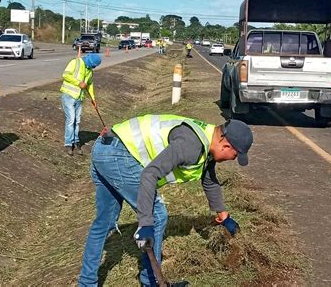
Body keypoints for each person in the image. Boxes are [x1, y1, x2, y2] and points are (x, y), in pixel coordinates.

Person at [78, 115, 253, 286]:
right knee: (157, 215)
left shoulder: (207, 139)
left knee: (104, 222)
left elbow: (209, 179)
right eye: (235, 156)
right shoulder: (191, 145)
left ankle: (86, 283)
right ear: (226, 144)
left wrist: (223, 215)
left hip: (105, 148)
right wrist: (145, 223)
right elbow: (150, 174)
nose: (233, 159)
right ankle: (151, 281)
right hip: (119, 154)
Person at [60, 53, 102, 156]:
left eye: (94, 66)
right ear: (89, 60)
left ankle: (76, 141)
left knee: (77, 121)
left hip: (79, 97)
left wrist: (93, 99)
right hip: (68, 95)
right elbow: (65, 75)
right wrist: (78, 83)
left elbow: (89, 85)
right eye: (92, 65)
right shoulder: (75, 62)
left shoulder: (89, 71)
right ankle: (68, 144)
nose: (92, 67)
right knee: (71, 120)